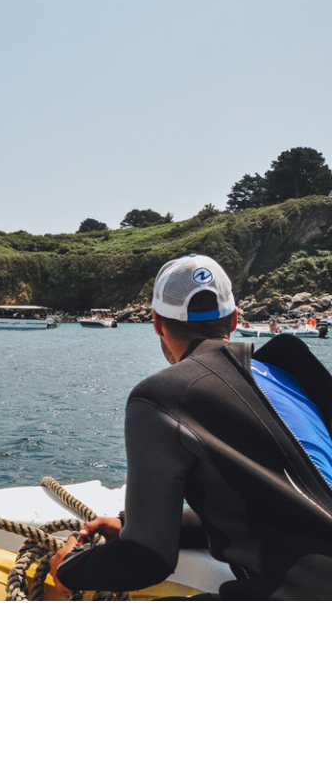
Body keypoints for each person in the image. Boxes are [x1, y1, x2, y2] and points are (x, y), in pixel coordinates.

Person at [49, 253, 332, 600]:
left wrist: (69, 567)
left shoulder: (163, 396)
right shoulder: (289, 371)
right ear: (234, 318)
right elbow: (288, 514)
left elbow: (147, 559)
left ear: (156, 322)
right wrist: (131, 524)